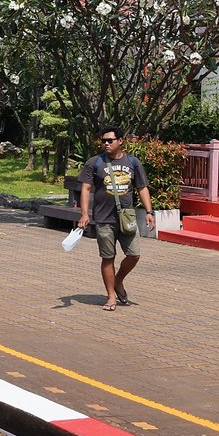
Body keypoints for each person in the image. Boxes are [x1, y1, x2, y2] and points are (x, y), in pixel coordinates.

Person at [76, 125, 155, 311]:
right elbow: (86, 188)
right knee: (108, 257)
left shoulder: (133, 163)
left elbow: (142, 188)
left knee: (134, 254)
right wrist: (85, 214)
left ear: (120, 141)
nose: (105, 144)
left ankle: (118, 279)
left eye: (109, 140)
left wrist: (149, 212)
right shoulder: (94, 162)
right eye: (103, 140)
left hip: (126, 217)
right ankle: (111, 295)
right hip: (104, 218)